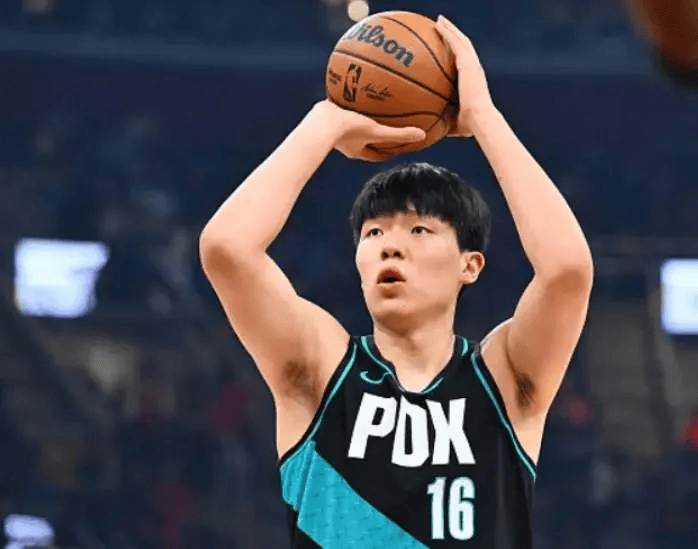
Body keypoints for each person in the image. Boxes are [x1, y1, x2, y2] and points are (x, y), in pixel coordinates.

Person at [199, 15, 593, 549]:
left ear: (470, 265)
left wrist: (485, 118)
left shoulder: (504, 379)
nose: (390, 245)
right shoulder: (321, 368)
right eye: (374, 232)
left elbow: (568, 272)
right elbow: (227, 249)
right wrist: (323, 123)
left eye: (419, 230)